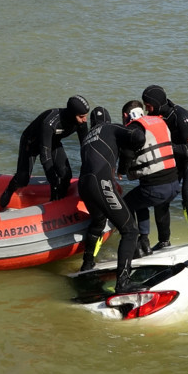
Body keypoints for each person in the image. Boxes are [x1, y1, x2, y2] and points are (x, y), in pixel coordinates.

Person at [78, 106, 146, 291]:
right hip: (100, 182)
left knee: (98, 221)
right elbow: (137, 137)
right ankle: (123, 282)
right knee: (130, 230)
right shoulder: (111, 128)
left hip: (83, 185)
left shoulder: (87, 137)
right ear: (108, 119)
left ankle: (87, 263)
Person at [0, 95, 90, 208]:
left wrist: (89, 169)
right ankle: (9, 189)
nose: (84, 120)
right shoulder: (50, 123)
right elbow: (45, 156)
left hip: (53, 143)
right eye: (81, 116)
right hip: (30, 143)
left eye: (86, 116)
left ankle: (55, 203)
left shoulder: (81, 123)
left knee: (65, 175)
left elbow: (86, 147)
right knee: (23, 180)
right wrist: (52, 179)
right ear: (72, 114)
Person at [142, 85, 188, 248]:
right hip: (173, 159)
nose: (146, 110)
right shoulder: (153, 117)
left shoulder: (182, 117)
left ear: (156, 103)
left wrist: (166, 147)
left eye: (148, 106)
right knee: (160, 195)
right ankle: (164, 241)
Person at [119, 100, 180, 258]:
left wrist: (121, 171)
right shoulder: (159, 121)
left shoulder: (134, 128)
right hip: (174, 186)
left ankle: (135, 246)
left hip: (156, 189)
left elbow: (126, 154)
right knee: (140, 201)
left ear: (126, 116)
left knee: (126, 204)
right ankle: (162, 242)